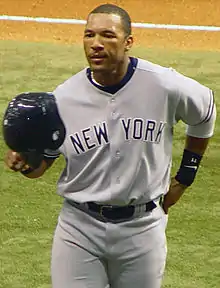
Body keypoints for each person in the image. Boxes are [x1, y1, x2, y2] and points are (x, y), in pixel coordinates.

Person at [5, 4, 216, 288]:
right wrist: (25, 162)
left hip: (143, 229)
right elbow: (42, 166)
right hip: (79, 229)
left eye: (107, 35)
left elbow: (205, 113)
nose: (96, 44)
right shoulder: (63, 99)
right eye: (89, 35)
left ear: (129, 42)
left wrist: (185, 177)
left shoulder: (164, 85)